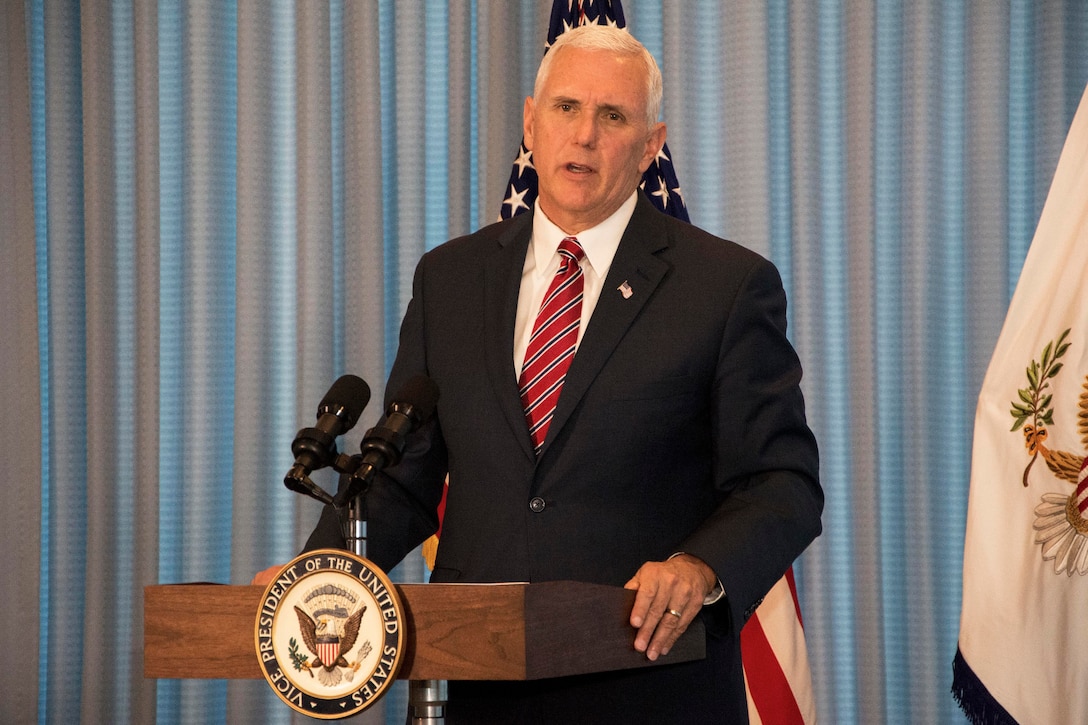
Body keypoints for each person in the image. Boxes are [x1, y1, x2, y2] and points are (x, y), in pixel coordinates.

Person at [291, 24, 822, 723]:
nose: (585, 136)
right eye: (567, 108)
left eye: (613, 116)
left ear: (651, 144)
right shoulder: (452, 278)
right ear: (530, 125)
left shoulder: (725, 285)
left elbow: (782, 484)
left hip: (651, 686)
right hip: (478, 688)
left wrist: (698, 567)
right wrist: (316, 576)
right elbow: (402, 478)